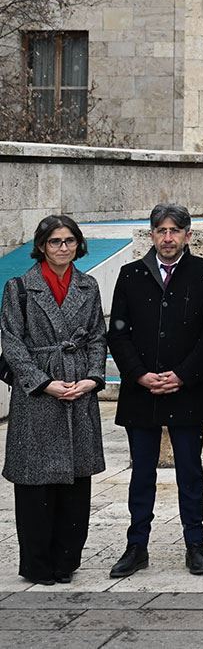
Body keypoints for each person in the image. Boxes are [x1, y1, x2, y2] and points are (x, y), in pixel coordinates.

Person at [106, 203, 203, 579]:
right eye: (161, 231)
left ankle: (195, 544)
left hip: (187, 390)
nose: (167, 238)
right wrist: (139, 375)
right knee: (141, 473)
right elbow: (118, 332)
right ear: (151, 234)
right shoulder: (131, 274)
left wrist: (183, 375)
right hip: (142, 391)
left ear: (188, 235)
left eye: (175, 231)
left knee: (190, 472)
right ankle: (136, 545)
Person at [1, 215, 107, 586]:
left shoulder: (88, 285)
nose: (63, 248)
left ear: (79, 244)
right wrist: (43, 383)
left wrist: (92, 378)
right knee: (35, 481)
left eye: (69, 241)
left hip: (79, 389)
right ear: (41, 246)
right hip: (37, 395)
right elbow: (12, 342)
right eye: (55, 241)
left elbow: (97, 336)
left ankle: (67, 561)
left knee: (76, 479)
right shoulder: (19, 287)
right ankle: (37, 564)